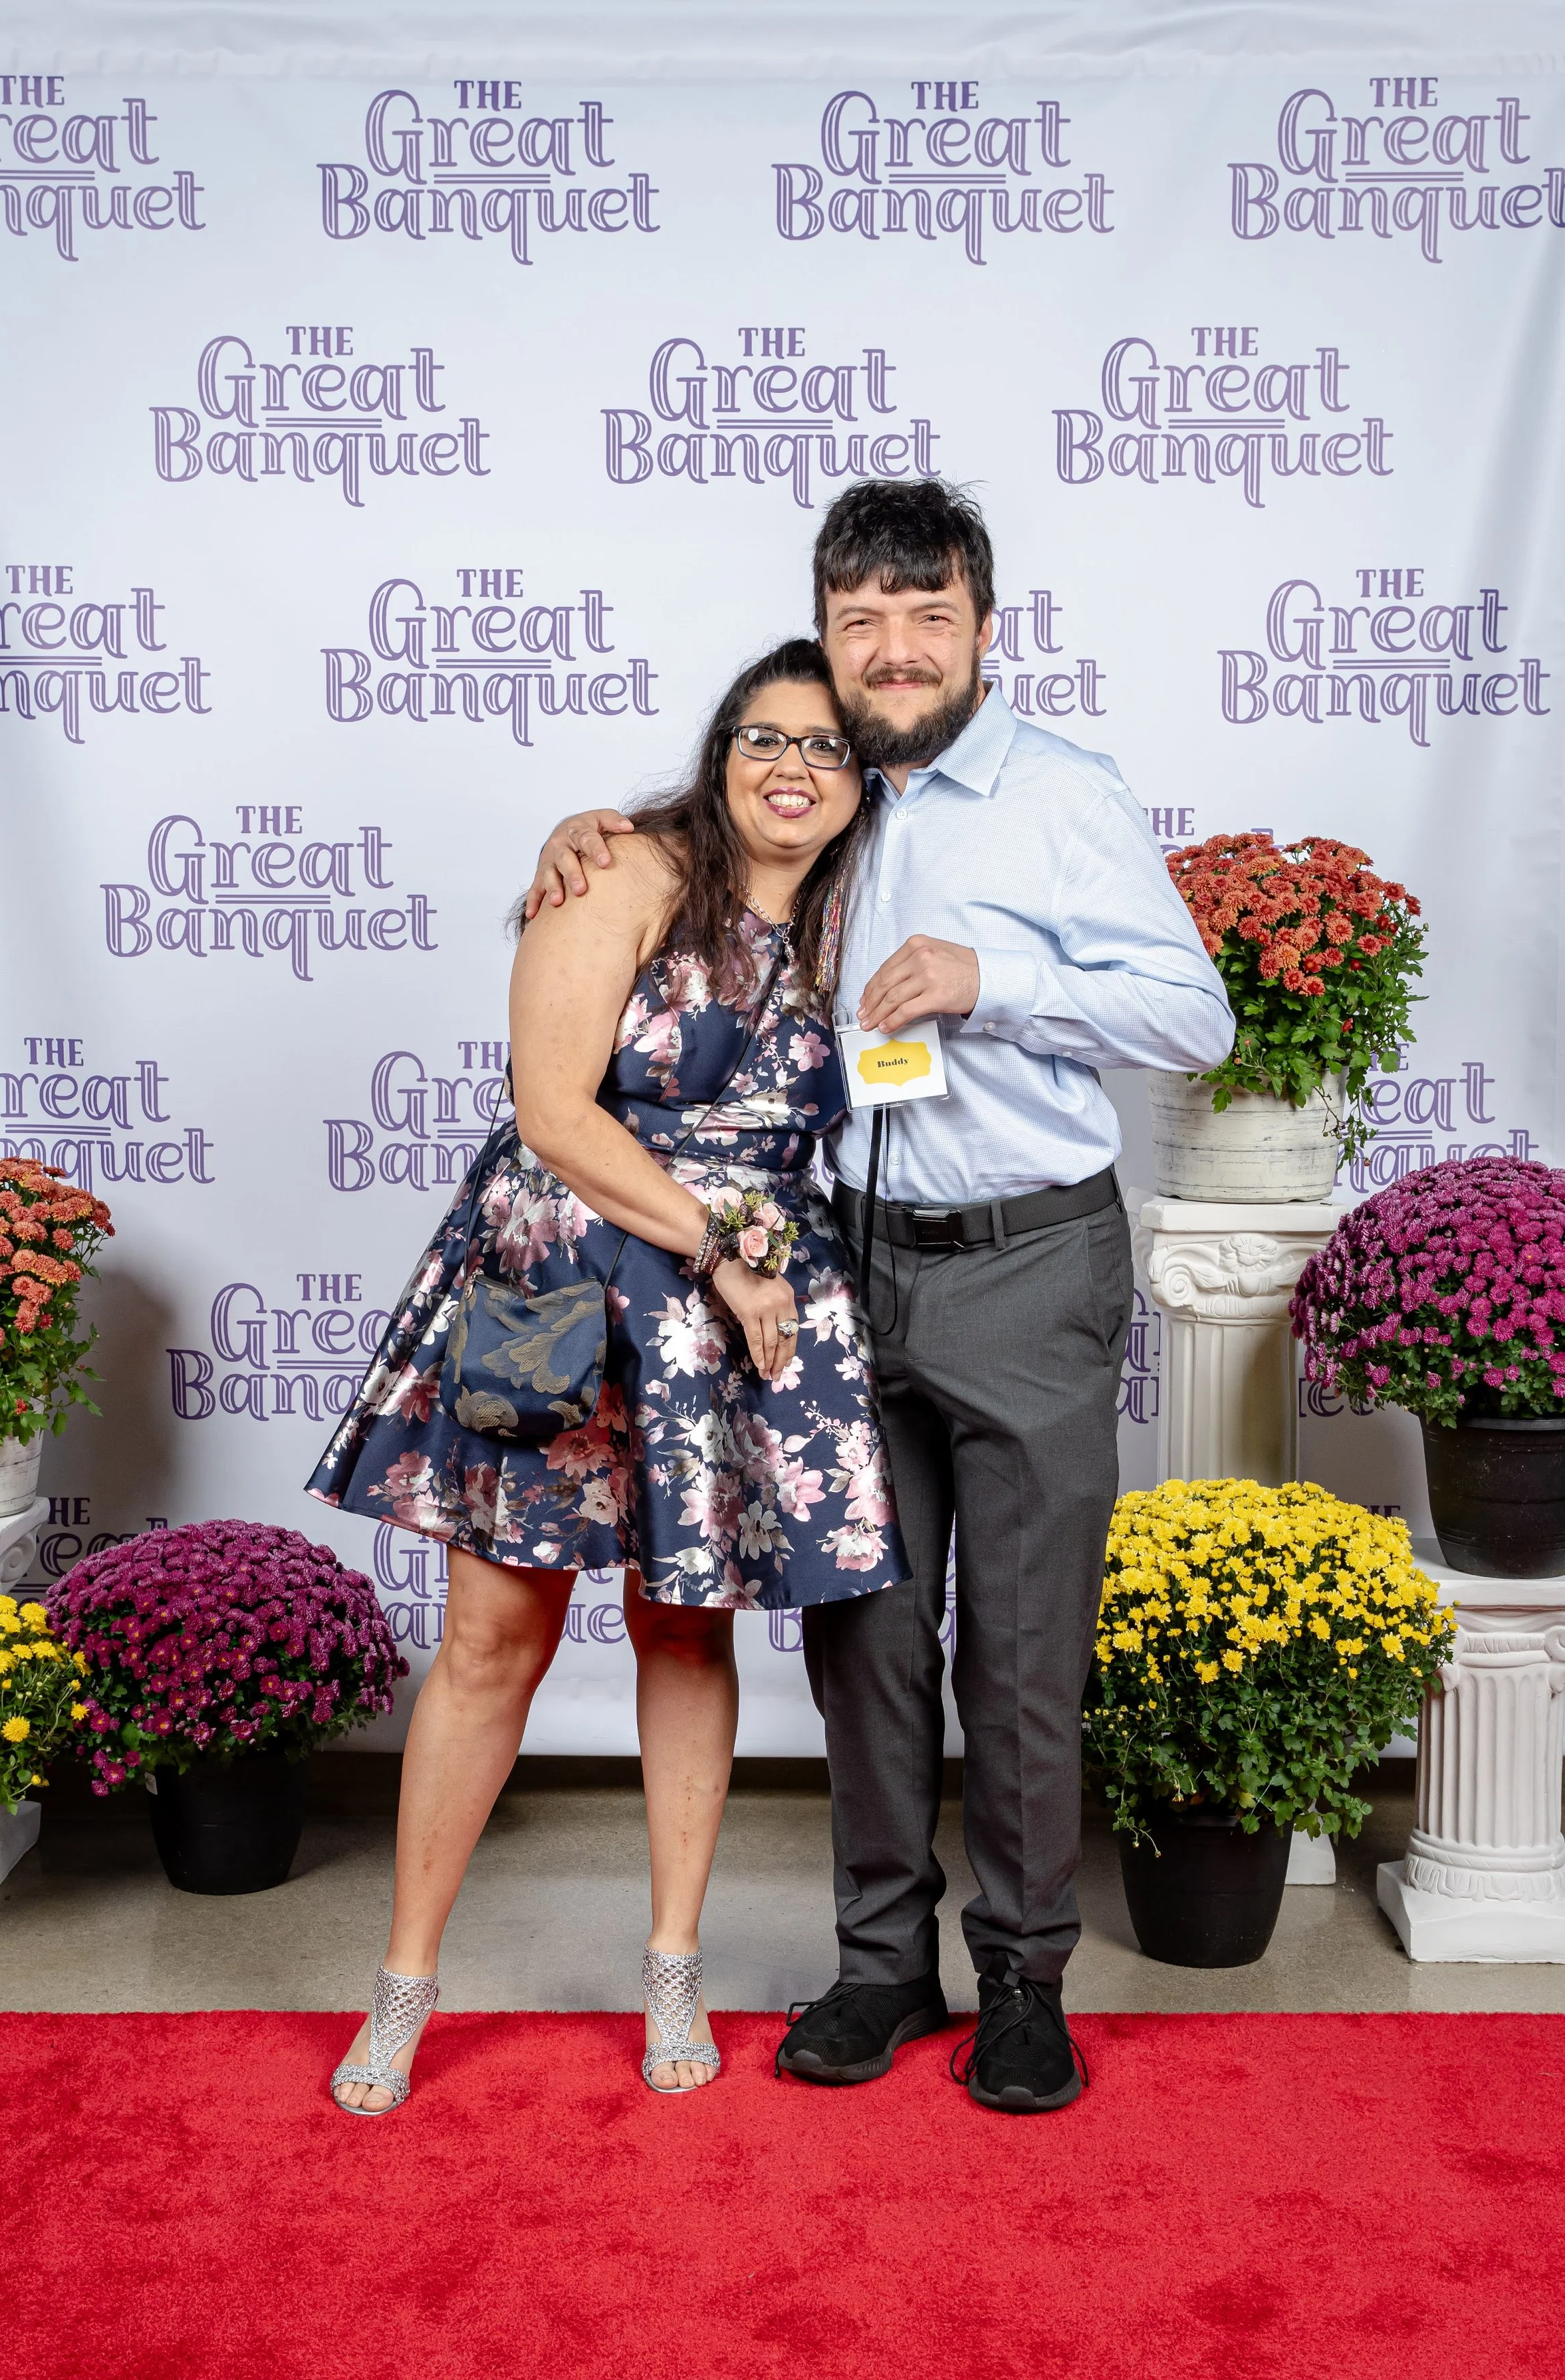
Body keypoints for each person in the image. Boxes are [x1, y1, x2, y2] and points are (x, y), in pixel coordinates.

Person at [527, 480, 1235, 2115]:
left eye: (928, 617)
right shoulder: (828, 795)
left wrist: (999, 981)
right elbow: (698, 849)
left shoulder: (1060, 794)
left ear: (985, 629)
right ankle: (877, 1964)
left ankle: (1024, 1978)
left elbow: (1191, 1016)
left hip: (1027, 1263)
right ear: (826, 639)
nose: (895, 650)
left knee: (1022, 1650)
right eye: (862, 621)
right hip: (841, 1265)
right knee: (865, 1638)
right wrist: (586, 830)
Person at [309, 636, 908, 2114]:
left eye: (826, 747)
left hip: (738, 1306)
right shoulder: (627, 870)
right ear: (720, 752)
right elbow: (552, 1111)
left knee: (685, 1635)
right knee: (492, 1640)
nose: (793, 768)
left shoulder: (870, 902)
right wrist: (725, 1252)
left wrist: (756, 1269)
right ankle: (404, 1981)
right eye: (764, 738)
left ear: (864, 776)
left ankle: (672, 1963)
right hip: (576, 1282)